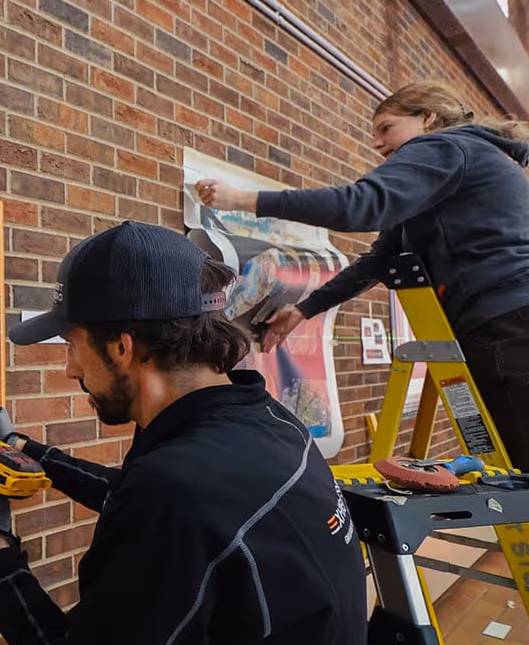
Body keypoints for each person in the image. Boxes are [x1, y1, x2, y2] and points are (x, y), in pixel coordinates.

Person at [0, 221, 368, 645]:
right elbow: (143, 501)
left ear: (122, 346)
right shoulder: (263, 422)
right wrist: (31, 452)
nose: (67, 368)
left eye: (74, 345)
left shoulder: (176, 492)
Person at [194, 82, 529, 469]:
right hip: (506, 322)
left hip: (507, 324)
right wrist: (303, 310)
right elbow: (379, 260)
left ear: (427, 119)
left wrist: (246, 200)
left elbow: (361, 205)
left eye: (386, 128)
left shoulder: (444, 147)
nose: (377, 143)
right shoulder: (465, 163)